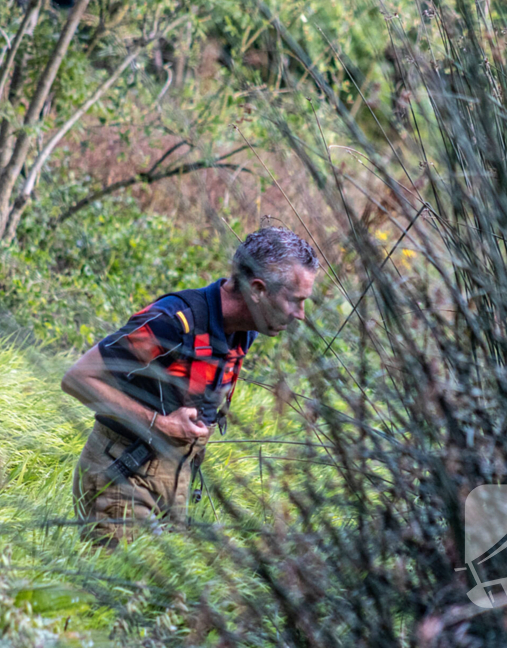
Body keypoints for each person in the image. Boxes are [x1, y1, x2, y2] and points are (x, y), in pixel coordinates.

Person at [61, 227, 319, 546]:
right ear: (258, 289)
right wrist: (159, 423)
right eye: (295, 301)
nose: (301, 315)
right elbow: (77, 378)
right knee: (122, 593)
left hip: (176, 483)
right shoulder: (172, 321)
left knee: (166, 594)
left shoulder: (246, 329)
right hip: (120, 477)